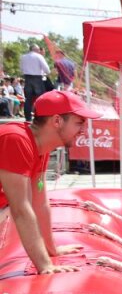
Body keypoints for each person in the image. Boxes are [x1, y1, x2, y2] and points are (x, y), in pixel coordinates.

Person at [0, 90, 101, 274]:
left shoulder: (40, 146)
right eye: (79, 123)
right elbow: (21, 210)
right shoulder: (16, 139)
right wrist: (45, 266)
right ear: (57, 121)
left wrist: (51, 250)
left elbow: (39, 203)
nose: (84, 130)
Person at [19, 43, 52, 122]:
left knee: (28, 99)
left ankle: (28, 118)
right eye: (38, 50)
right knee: (40, 98)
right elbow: (47, 69)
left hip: (27, 78)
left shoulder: (23, 57)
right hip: (37, 78)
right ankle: (40, 117)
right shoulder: (39, 56)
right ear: (36, 49)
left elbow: (21, 69)